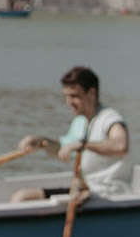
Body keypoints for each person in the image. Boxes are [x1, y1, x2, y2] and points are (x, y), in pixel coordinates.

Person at [10, 66, 131, 203]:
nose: (69, 103)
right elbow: (62, 149)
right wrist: (40, 142)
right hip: (84, 191)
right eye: (66, 97)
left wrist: (83, 145)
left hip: (108, 194)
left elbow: (121, 146)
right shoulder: (80, 121)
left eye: (74, 96)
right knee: (22, 197)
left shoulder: (110, 119)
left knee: (23, 198)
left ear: (91, 93)